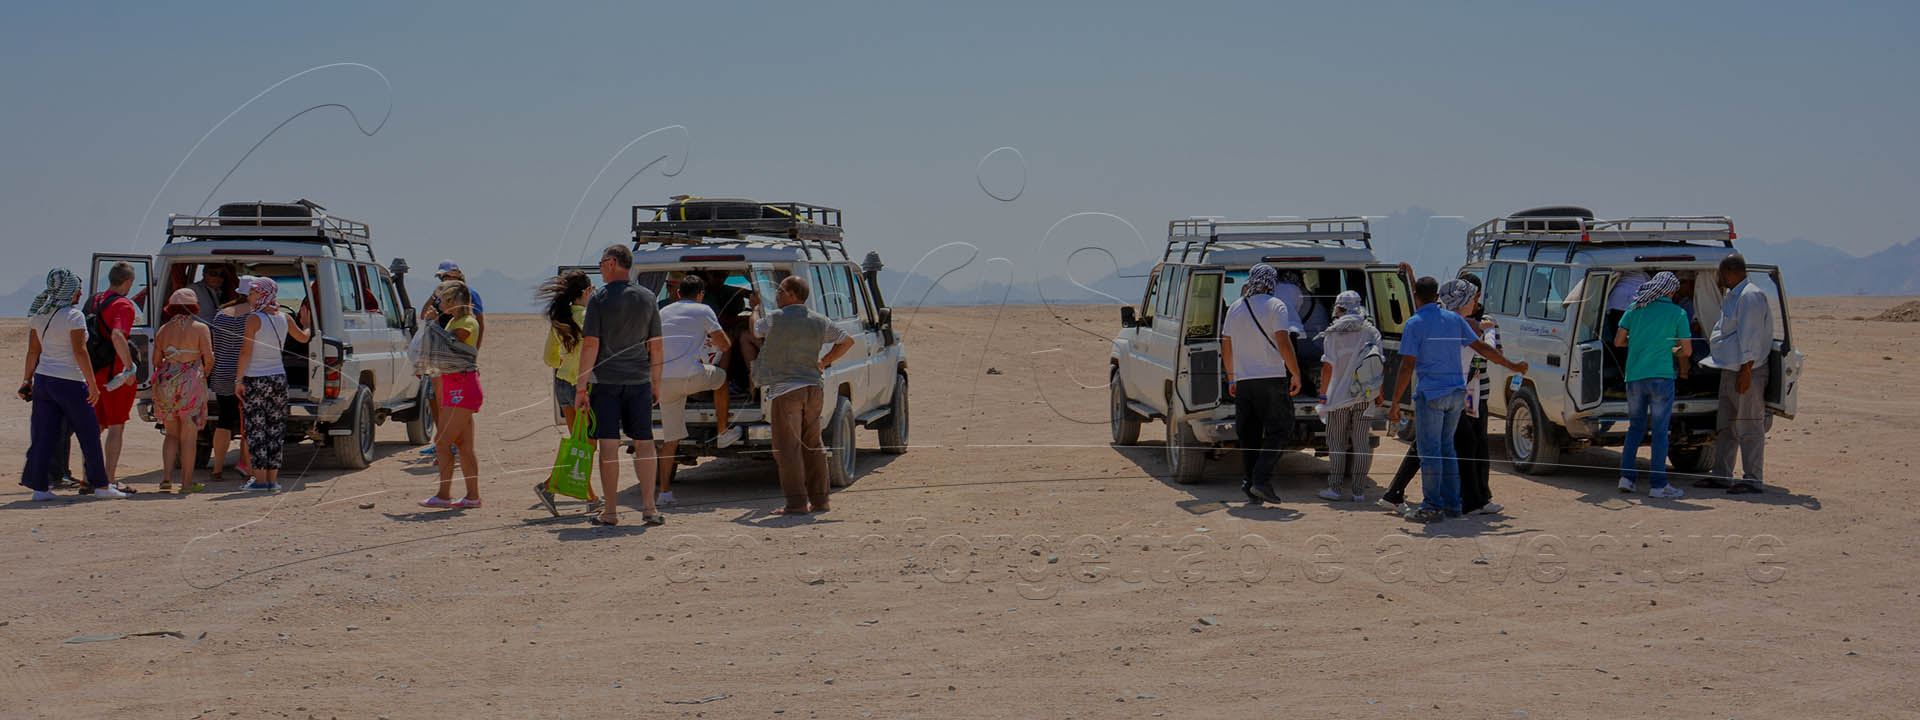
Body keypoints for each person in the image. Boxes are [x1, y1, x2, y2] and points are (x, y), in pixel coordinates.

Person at [1386, 277, 1527, 523]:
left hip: (1431, 394)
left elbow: (1408, 365)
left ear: (1416, 297)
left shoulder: (1415, 323)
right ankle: (1453, 505)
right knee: (1448, 451)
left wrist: (1395, 401)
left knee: (1430, 453)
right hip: (1456, 394)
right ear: (1436, 296)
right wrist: (1512, 365)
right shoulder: (1455, 320)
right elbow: (1483, 349)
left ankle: (1431, 506)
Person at [573, 244, 665, 527]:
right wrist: (656, 384)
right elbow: (656, 346)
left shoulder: (599, 299)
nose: (600, 268)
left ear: (613, 263)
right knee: (645, 443)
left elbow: (590, 344)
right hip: (639, 382)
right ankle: (649, 508)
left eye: (601, 263)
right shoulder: (648, 297)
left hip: (607, 383)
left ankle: (611, 511)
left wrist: (580, 387)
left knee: (609, 444)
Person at [751, 275, 855, 515]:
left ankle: (796, 503)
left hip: (787, 391)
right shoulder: (819, 320)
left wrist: (756, 308)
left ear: (792, 295)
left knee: (787, 448)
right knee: (813, 444)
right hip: (813, 388)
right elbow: (847, 341)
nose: (777, 295)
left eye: (780, 291)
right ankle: (820, 501)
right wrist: (824, 362)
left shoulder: (776, 319)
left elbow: (756, 331)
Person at [19, 269, 121, 500]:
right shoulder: (73, 316)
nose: (80, 292)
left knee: (44, 435)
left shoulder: (39, 314)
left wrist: (27, 381)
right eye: (77, 288)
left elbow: (33, 351)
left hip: (44, 381)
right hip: (71, 381)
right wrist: (92, 385)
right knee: (89, 433)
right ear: (69, 290)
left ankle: (40, 488)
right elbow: (79, 350)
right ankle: (101, 486)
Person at [1220, 264, 1302, 506]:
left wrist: (1231, 376)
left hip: (1244, 382)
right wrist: (1295, 373)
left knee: (1249, 436)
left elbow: (1226, 344)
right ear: (1271, 282)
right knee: (1281, 430)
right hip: (1271, 379)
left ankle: (1249, 484)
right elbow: (1283, 340)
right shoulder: (1276, 305)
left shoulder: (1235, 308)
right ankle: (1261, 480)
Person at [656, 275, 740, 508]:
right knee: (721, 380)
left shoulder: (663, 312)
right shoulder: (704, 310)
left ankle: (664, 493)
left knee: (670, 440)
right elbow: (724, 345)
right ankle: (722, 432)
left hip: (664, 381)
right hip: (692, 377)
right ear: (701, 294)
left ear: (678, 293)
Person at [1613, 271, 1691, 498]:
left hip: (1635, 377)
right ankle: (1658, 485)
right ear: (1670, 291)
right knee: (1659, 432)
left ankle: (1626, 479)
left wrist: (1640, 343)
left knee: (1635, 428)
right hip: (1662, 377)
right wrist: (1668, 348)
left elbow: (1618, 341)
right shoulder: (1678, 313)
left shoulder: (1634, 308)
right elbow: (1686, 350)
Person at [1701, 254, 1772, 494]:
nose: (1719, 280)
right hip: (1731, 370)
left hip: (1746, 372)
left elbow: (1750, 337)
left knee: (1749, 426)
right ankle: (1721, 475)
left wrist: (1746, 372)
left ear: (1731, 272)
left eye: (1721, 274)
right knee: (1727, 426)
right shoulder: (1734, 295)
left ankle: (1752, 480)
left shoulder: (1749, 296)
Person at [233, 277, 310, 491]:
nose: (249, 296)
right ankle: (272, 481)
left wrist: (238, 379)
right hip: (279, 378)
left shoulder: (253, 319)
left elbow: (245, 352)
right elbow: (304, 339)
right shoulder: (285, 318)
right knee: (276, 430)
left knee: (256, 430)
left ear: (263, 293)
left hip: (255, 379)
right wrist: (308, 325)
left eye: (254, 292)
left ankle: (260, 480)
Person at [533, 270, 600, 513]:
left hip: (562, 383)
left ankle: (589, 497)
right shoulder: (590, 317)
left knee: (579, 443)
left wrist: (566, 362)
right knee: (587, 444)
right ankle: (553, 487)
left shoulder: (560, 318)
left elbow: (549, 358)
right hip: (583, 386)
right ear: (586, 292)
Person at [418, 281, 485, 509]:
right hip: (456, 386)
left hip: (462, 388)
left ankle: (443, 494)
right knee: (464, 446)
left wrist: (433, 323)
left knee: (442, 441)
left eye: (445, 300)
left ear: (455, 301)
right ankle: (471, 496)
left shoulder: (466, 322)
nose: (442, 304)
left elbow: (448, 347)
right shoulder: (456, 321)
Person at [1314, 290, 1380, 502]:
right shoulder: (1371, 332)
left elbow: (1327, 367)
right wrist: (1380, 393)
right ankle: (1358, 492)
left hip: (1338, 397)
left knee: (1336, 442)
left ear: (1339, 308)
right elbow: (1379, 365)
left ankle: (1335, 489)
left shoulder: (1333, 333)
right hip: (1365, 395)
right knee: (1361, 442)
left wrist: (1323, 395)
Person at [418, 260, 487, 456]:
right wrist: (436, 294)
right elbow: (424, 316)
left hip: (455, 357)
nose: (445, 279)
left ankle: (452, 442)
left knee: (454, 403)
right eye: (442, 277)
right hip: (438, 355)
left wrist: (474, 352)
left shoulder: (468, 296)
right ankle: (443, 439)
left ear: (457, 274)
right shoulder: (440, 296)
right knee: (436, 399)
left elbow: (480, 324)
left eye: (448, 276)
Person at [151, 289, 214, 494]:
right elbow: (209, 357)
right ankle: (186, 483)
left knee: (171, 434)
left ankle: (166, 479)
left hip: (166, 380)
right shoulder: (200, 328)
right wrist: (203, 373)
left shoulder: (163, 330)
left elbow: (155, 361)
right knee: (189, 436)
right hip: (191, 379)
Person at [86, 261, 140, 490]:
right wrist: (129, 368)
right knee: (116, 426)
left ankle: (89, 477)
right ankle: (107, 479)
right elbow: (118, 335)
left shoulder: (94, 300)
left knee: (94, 427)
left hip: (93, 371)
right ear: (127, 282)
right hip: (115, 376)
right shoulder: (123, 305)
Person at [207, 276, 254, 481]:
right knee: (249, 421)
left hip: (222, 372)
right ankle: (245, 465)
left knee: (224, 419)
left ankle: (217, 468)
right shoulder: (256, 316)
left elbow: (216, 345)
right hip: (246, 373)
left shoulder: (220, 315)